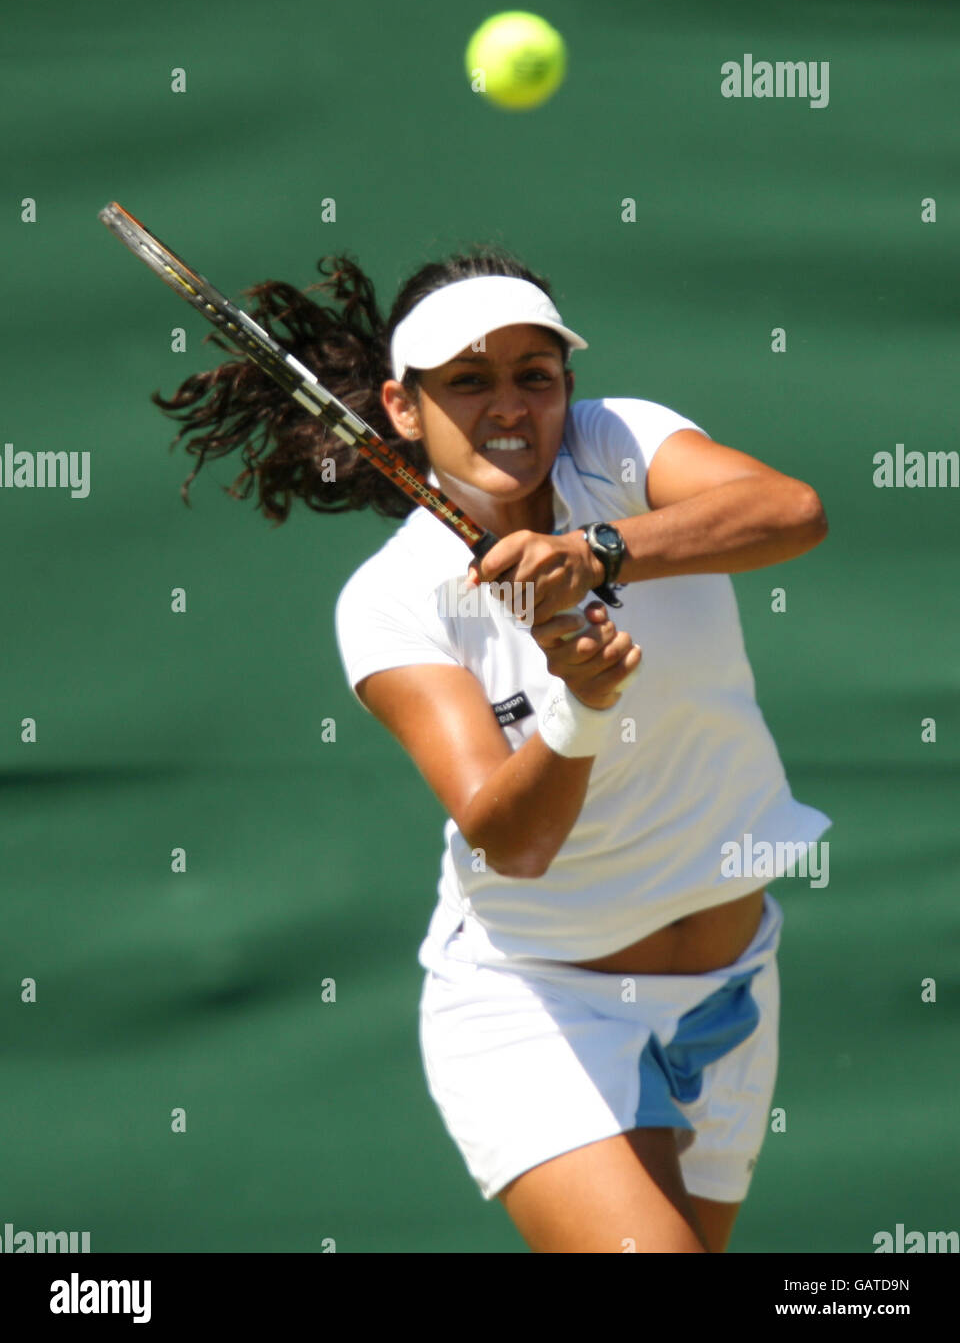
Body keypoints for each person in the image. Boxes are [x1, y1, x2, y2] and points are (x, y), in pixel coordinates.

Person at [153, 244, 832, 1254]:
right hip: (540, 1009)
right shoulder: (391, 602)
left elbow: (793, 511)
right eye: (468, 380)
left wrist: (598, 551)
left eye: (535, 375)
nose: (510, 405)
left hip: (734, 991)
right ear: (400, 406)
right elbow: (509, 840)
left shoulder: (618, 445)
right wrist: (583, 706)